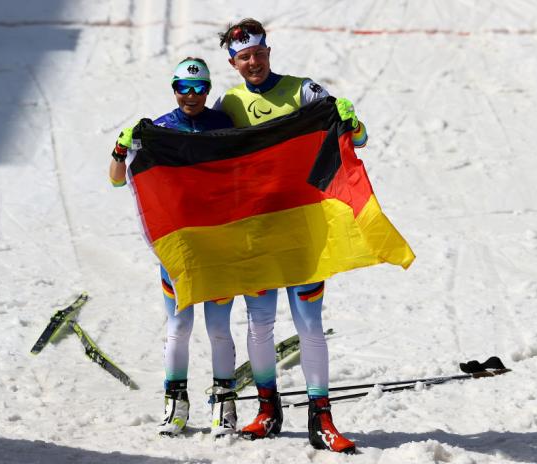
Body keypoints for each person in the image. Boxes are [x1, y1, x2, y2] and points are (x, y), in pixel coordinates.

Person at [214, 18, 367, 454]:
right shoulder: (229, 103)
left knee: (309, 325)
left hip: (302, 227)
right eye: (244, 57)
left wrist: (352, 124)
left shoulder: (303, 91)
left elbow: (358, 137)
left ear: (268, 52)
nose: (253, 62)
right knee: (260, 323)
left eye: (259, 54)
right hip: (257, 230)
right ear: (233, 61)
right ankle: (268, 410)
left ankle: (322, 419)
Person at [109, 57, 239, 438]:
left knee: (218, 328)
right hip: (180, 247)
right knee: (179, 326)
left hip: (219, 242)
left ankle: (223, 406)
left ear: (209, 90)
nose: (192, 96)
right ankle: (175, 404)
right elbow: (117, 181)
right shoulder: (160, 129)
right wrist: (120, 149)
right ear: (174, 88)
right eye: (184, 87)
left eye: (199, 89)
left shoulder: (224, 127)